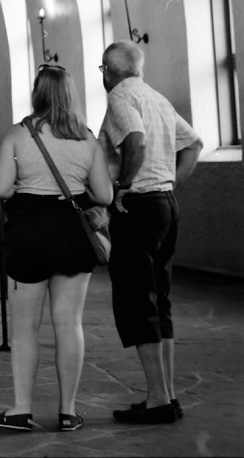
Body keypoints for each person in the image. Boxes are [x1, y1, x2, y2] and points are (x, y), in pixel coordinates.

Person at [0, 64, 112, 432]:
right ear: (70, 94)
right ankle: (68, 411)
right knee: (68, 323)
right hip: (72, 234)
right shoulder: (86, 140)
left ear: (36, 93)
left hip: (28, 233)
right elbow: (105, 195)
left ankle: (21, 409)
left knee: (25, 327)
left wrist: (23, 187)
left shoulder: (18, 134)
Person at [100, 41, 202, 425]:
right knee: (159, 298)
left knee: (137, 299)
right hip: (164, 205)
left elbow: (135, 140)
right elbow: (193, 145)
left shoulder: (121, 96)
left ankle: (158, 399)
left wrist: (123, 186)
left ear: (108, 71)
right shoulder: (157, 97)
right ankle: (168, 395)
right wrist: (169, 184)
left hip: (139, 207)